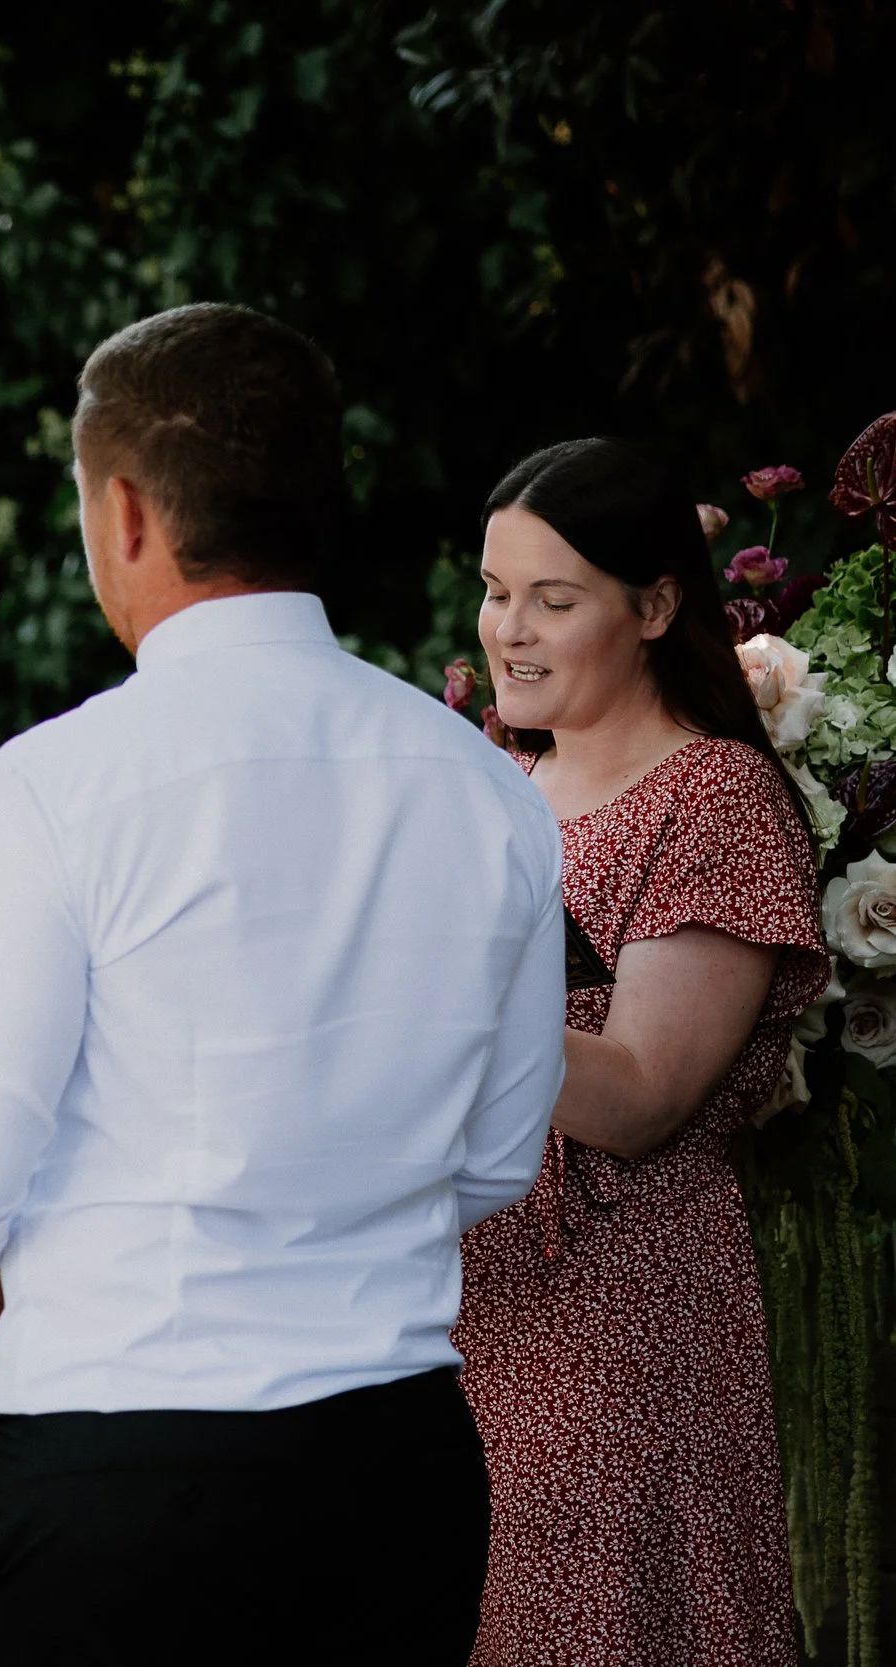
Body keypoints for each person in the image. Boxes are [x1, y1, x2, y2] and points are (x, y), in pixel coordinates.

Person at [0, 303, 571, 1666]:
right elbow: (500, 1155)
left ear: (124, 514)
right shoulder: (486, 787)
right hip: (397, 1461)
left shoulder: (52, 789)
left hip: (133, 1464)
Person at [454, 439, 825, 1666]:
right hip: (458, 1312)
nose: (509, 627)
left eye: (552, 599)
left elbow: (641, 1093)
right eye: (496, 589)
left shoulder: (711, 798)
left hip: (619, 1321)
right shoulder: (490, 786)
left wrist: (421, 1004)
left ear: (657, 606)